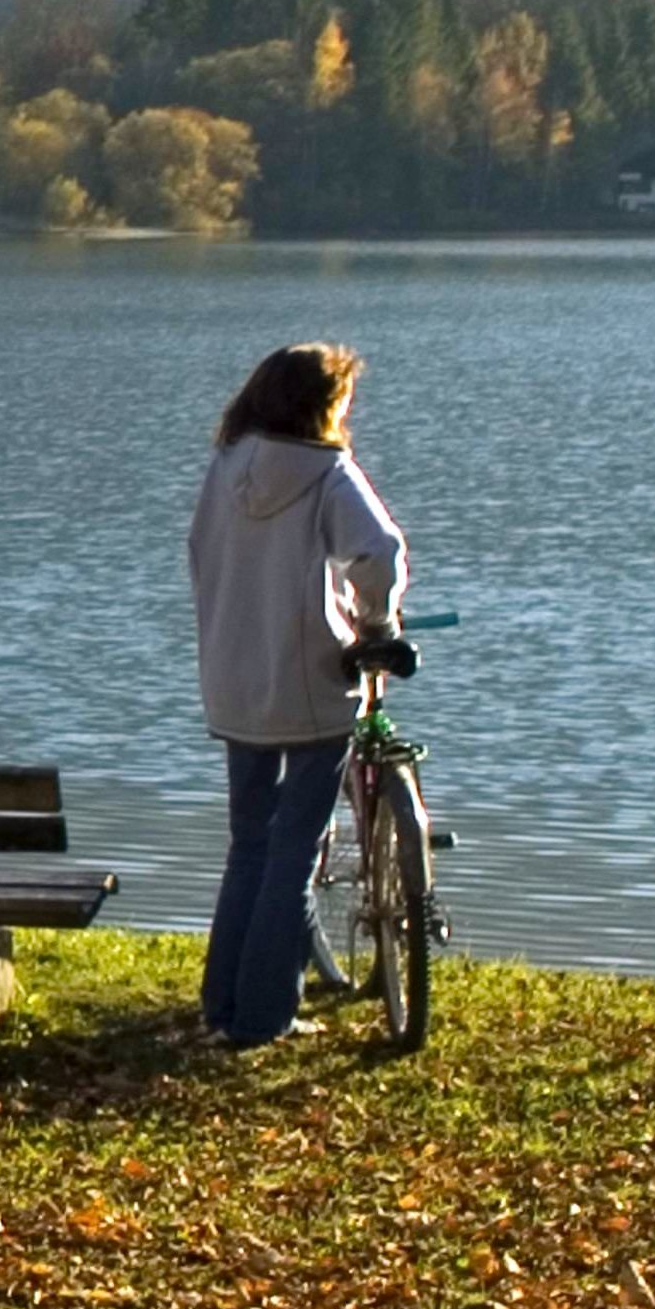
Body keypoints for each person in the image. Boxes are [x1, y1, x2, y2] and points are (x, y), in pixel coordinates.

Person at [186, 341, 408, 1050]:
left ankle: (223, 1004)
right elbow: (378, 554)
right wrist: (374, 624)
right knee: (293, 851)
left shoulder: (225, 470)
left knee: (249, 844)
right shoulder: (327, 473)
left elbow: (200, 555)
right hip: (310, 683)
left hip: (233, 680)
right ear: (322, 406)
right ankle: (262, 1017)